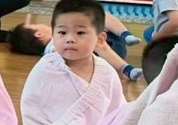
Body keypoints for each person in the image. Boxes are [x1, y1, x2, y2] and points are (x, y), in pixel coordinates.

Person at [7, 0, 126, 125]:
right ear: (53, 35)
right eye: (62, 32)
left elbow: (117, 112)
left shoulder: (106, 72)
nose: (70, 39)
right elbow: (33, 109)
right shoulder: (46, 67)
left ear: (100, 39)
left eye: (80, 33)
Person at [10, 8, 144, 81]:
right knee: (97, 20)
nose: (43, 24)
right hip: (104, 56)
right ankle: (126, 61)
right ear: (38, 34)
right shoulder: (54, 47)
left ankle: (126, 39)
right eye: (37, 25)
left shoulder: (52, 47)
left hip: (110, 51)